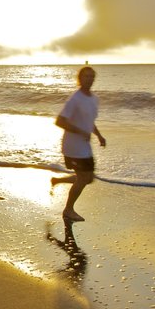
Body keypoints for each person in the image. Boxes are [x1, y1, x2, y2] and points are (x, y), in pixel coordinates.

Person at [51, 65, 106, 222]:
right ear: (80, 78)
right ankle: (68, 210)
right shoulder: (75, 99)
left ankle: (58, 180)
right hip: (73, 146)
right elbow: (59, 121)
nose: (89, 79)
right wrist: (80, 132)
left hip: (85, 146)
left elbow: (90, 121)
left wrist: (99, 136)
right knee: (83, 178)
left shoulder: (94, 99)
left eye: (91, 76)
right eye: (86, 76)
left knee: (89, 178)